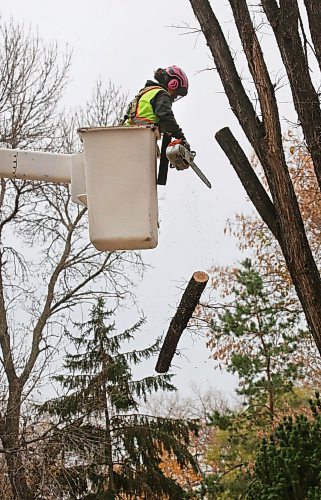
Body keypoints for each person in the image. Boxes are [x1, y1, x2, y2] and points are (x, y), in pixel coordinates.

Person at [123, 65, 190, 150]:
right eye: (177, 93)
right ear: (173, 84)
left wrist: (167, 132)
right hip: (141, 135)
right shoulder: (162, 94)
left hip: (127, 134)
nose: (174, 96)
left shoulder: (146, 92)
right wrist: (180, 136)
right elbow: (165, 116)